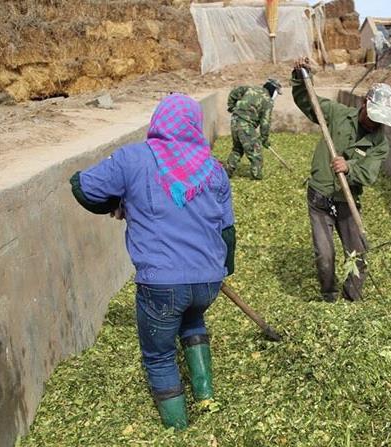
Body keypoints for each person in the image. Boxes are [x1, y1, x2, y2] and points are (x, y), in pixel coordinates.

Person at [69, 94, 236, 430]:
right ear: (193, 125)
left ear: (158, 121)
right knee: (192, 321)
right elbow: (228, 232)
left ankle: (177, 429)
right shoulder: (213, 168)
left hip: (162, 283)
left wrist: (118, 200)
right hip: (207, 282)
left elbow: (83, 189)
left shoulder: (134, 159)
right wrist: (222, 271)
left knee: (159, 354)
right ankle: (206, 398)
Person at [291, 58, 391, 302]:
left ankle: (352, 299)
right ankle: (329, 294)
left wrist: (348, 167)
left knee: (359, 254)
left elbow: (368, 174)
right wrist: (300, 77)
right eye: (373, 117)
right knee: (324, 255)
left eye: (381, 120)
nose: (375, 123)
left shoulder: (380, 143)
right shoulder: (337, 114)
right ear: (363, 104)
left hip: (347, 202)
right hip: (319, 197)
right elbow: (310, 103)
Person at [225, 79, 282, 179]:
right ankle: (257, 177)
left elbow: (234, 92)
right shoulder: (268, 101)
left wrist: (231, 106)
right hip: (245, 125)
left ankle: (226, 173)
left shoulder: (250, 89)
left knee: (238, 148)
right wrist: (264, 139)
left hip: (234, 121)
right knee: (255, 151)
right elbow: (265, 122)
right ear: (273, 90)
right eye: (277, 93)